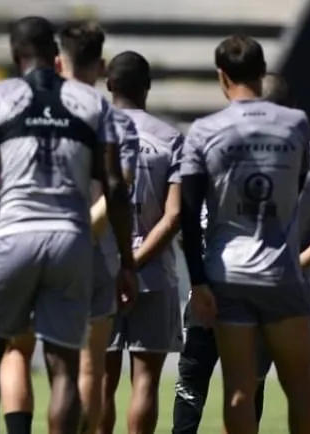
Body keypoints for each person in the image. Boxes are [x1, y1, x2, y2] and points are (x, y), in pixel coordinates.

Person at [0, 16, 136, 434]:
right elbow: (114, 186)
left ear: (13, 52)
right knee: (65, 367)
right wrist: (126, 262)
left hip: (13, 236)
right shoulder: (91, 103)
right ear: (53, 54)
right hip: (70, 240)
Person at [179, 34, 310, 434]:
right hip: (280, 271)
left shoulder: (204, 130)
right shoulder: (296, 123)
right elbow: (300, 181)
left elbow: (189, 214)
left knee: (238, 390)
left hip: (226, 273)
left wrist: (199, 282)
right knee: (300, 389)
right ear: (262, 72)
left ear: (222, 76)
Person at [92, 50, 184, 434]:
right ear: (147, 86)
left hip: (100, 272)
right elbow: (175, 214)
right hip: (154, 274)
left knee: (100, 380)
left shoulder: (92, 135)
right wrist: (138, 259)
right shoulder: (171, 138)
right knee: (145, 379)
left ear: (109, 85)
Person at [255, 72, 310, 434]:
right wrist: (301, 261)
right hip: (299, 285)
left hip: (249, 280)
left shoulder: (237, 148)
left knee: (243, 387)